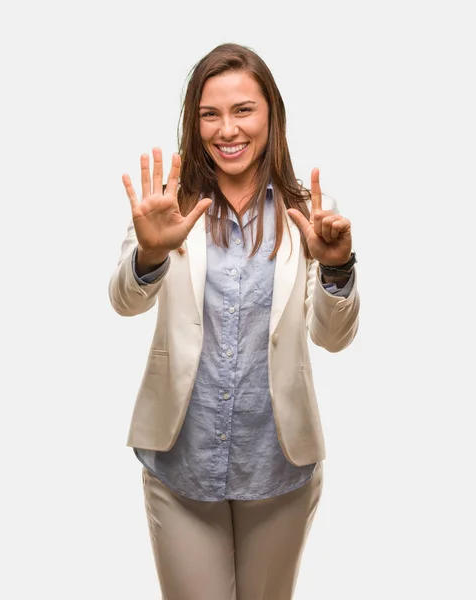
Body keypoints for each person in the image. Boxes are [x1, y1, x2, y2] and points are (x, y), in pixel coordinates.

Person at [109, 42, 360, 600]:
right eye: (210, 114)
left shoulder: (307, 211)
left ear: (271, 113)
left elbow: (333, 337)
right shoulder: (170, 205)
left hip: (279, 466)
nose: (228, 129)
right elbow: (125, 301)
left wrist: (337, 267)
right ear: (194, 123)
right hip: (180, 462)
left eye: (243, 109)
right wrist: (149, 255)